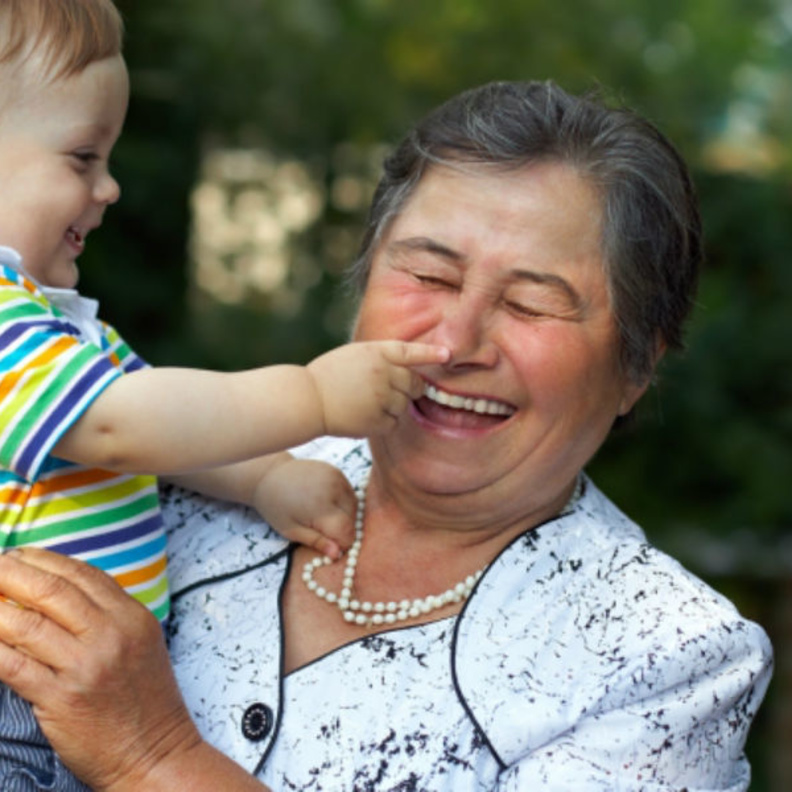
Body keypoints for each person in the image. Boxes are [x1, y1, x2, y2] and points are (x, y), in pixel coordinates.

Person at [0, 79, 774, 791]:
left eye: (531, 304)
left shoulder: (666, 659)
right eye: (429, 276)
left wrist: (151, 757)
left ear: (637, 365)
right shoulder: (190, 464)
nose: (456, 342)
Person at [0, 1, 448, 789]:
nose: (108, 188)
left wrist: (266, 477)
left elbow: (164, 427)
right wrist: (312, 397)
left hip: (64, 698)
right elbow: (119, 427)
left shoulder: (57, 326)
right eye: (82, 157)